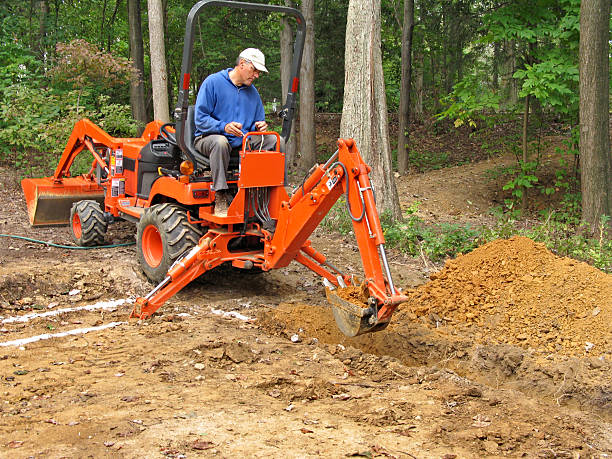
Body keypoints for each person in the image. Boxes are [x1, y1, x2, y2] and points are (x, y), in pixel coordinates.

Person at [194, 48, 281, 217]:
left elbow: (258, 121)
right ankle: (220, 195)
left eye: (258, 72)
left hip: (241, 140)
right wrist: (223, 126)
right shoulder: (213, 83)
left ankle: (274, 191)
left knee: (276, 141)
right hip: (208, 138)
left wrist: (260, 127)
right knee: (220, 142)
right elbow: (200, 119)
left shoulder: (253, 93)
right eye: (254, 70)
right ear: (242, 64)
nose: (256, 75)